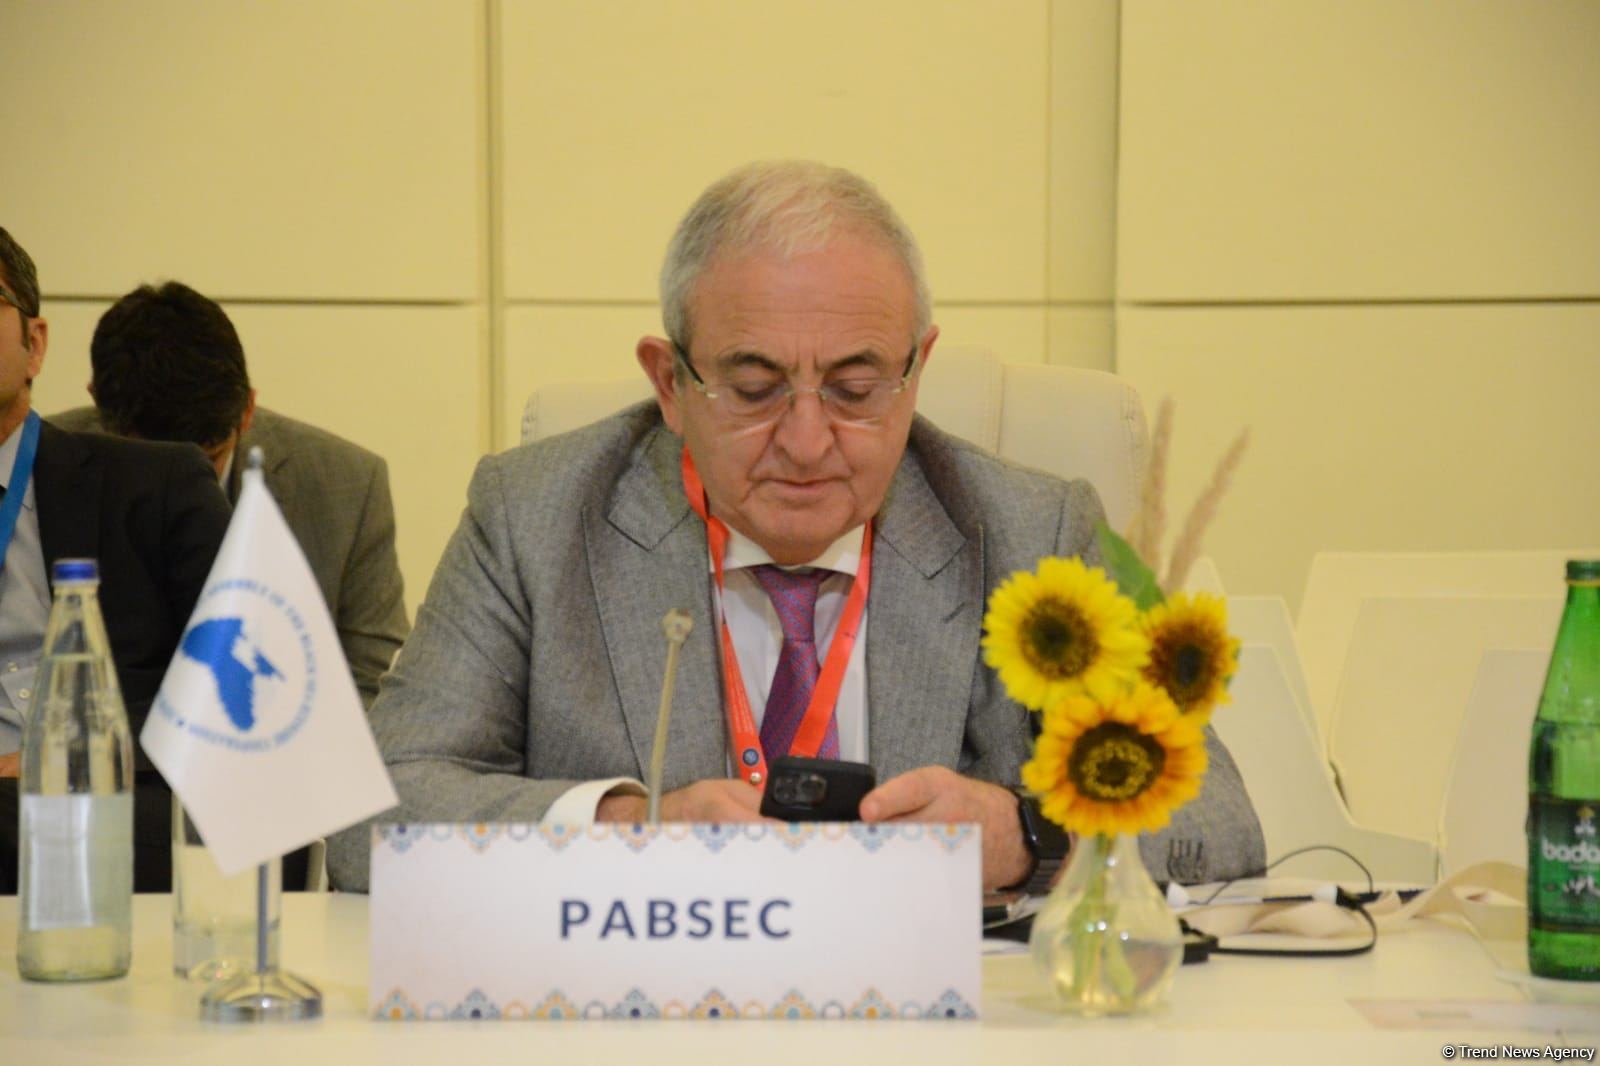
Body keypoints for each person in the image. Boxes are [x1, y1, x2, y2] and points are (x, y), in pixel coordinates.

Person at [325, 161, 1264, 892]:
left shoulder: (1041, 528)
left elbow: (1218, 819)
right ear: (670, 382)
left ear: (917, 371)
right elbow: (373, 816)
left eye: (855, 388)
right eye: (754, 388)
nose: (808, 441)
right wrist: (630, 829)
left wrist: (1025, 836)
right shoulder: (533, 517)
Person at [0, 227, 231, 893]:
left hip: (120, 796)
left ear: (34, 344)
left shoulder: (155, 486)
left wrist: (66, 751)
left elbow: (233, 674)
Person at [51, 282, 410, 709]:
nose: (182, 492)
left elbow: (372, 688)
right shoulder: (44, 466)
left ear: (248, 409)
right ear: (98, 407)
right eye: (155, 470)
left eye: (210, 460)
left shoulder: (347, 485)